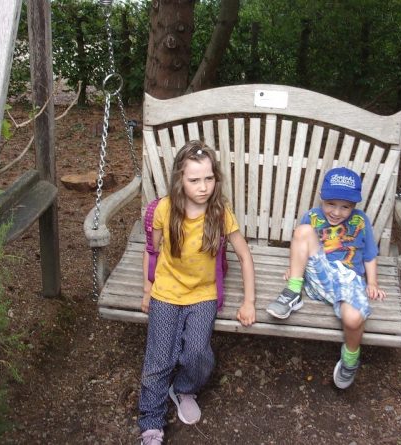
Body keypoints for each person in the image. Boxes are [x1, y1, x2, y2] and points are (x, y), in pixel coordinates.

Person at [138, 140, 256, 445]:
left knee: (197, 353)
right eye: (194, 180)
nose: (203, 187)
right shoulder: (164, 209)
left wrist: (249, 301)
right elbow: (151, 251)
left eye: (208, 178)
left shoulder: (219, 213)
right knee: (159, 358)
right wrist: (148, 288)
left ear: (216, 177)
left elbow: (244, 255)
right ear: (180, 180)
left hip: (203, 293)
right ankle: (151, 422)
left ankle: (184, 388)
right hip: (166, 290)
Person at [266, 167, 385, 389]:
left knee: (354, 319)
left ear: (354, 206)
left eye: (345, 207)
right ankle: (293, 293)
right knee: (302, 231)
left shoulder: (360, 221)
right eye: (331, 204)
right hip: (318, 275)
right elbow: (301, 244)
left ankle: (350, 360)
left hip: (348, 280)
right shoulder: (312, 217)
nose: (337, 212)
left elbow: (369, 254)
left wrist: (372, 282)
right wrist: (294, 271)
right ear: (322, 198)